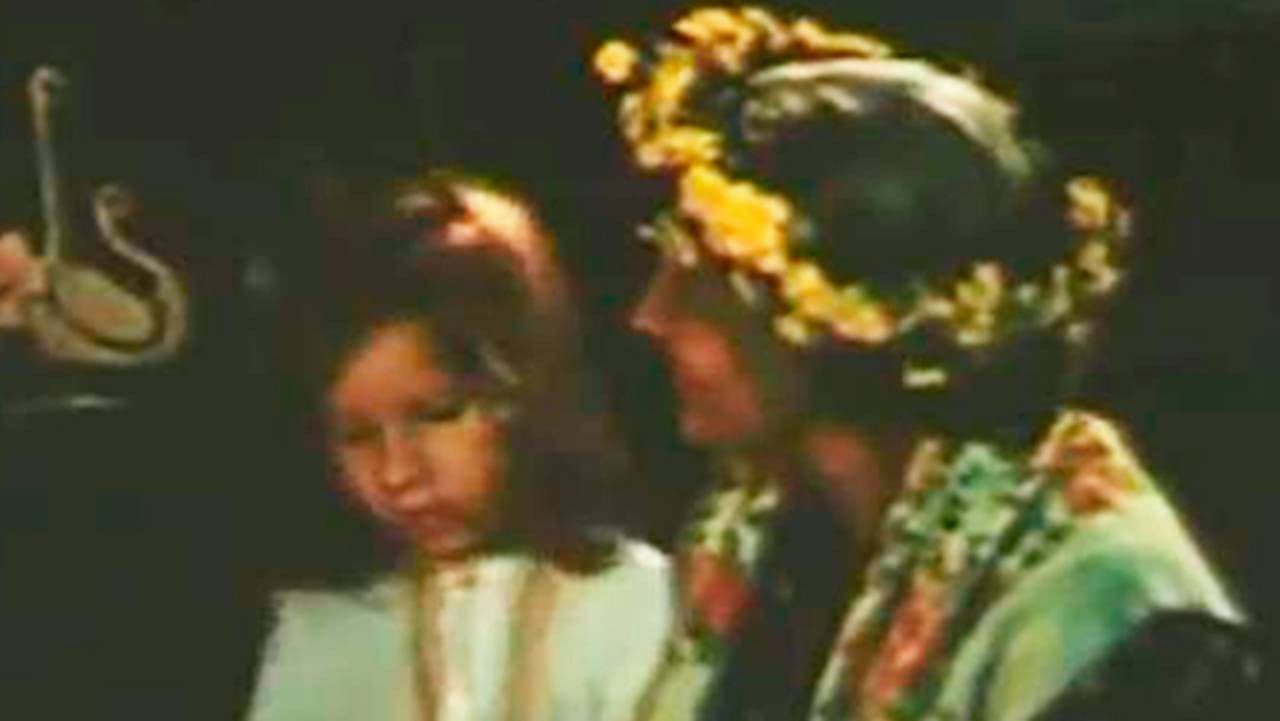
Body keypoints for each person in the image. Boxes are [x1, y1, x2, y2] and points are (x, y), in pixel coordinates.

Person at [592, 7, 1254, 720]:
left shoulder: (1106, 609)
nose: (650, 316)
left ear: (830, 318)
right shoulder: (759, 538)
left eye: (696, 285)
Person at [244, 172, 672, 721]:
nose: (398, 473)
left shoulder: (633, 602)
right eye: (358, 437)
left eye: (437, 415)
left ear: (524, 390)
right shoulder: (325, 630)